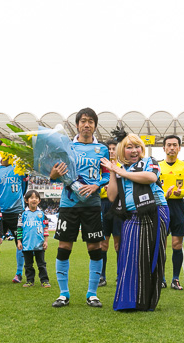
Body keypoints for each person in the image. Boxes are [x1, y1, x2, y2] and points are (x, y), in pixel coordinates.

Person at [49, 107, 110, 308]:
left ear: (95, 126)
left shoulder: (101, 149)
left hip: (92, 205)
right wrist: (54, 175)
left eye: (90, 121)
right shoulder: (66, 147)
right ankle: (63, 294)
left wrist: (97, 185)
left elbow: (107, 175)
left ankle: (92, 294)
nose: (86, 124)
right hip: (69, 205)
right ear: (77, 125)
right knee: (64, 247)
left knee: (95, 248)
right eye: (83, 121)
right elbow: (53, 174)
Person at [101, 133, 169, 311]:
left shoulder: (149, 161)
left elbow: (151, 178)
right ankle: (128, 301)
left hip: (155, 210)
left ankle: (146, 302)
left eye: (137, 146)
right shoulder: (119, 168)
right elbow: (112, 196)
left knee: (152, 257)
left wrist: (121, 172)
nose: (134, 151)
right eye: (129, 147)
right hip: (131, 215)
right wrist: (114, 172)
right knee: (128, 256)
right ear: (123, 150)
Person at [159, 135, 184, 290]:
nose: (172, 148)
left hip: (178, 206)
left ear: (179, 148)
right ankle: (161, 278)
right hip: (161, 206)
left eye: (175, 145)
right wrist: (163, 194)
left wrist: (182, 192)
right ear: (164, 148)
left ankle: (175, 279)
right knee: (160, 245)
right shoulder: (158, 166)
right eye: (169, 145)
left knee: (176, 244)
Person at [0, 153, 27, 283]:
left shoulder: (20, 167)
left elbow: (24, 188)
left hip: (17, 212)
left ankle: (19, 273)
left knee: (19, 242)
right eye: (2, 149)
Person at [99, 138, 122, 287]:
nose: (111, 151)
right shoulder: (100, 166)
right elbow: (94, 185)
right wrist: (104, 188)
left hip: (119, 206)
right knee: (103, 243)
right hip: (103, 205)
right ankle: (102, 276)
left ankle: (120, 275)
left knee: (118, 244)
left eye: (114, 148)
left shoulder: (123, 166)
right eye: (109, 149)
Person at [17, 190, 50, 288]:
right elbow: (19, 229)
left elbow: (45, 228)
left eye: (36, 198)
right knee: (28, 265)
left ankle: (44, 281)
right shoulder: (22, 214)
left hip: (39, 244)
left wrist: (46, 241)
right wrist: (19, 241)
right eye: (31, 198)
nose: (34, 200)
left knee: (41, 264)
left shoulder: (42, 214)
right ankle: (29, 281)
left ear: (39, 201)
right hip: (26, 244)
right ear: (27, 200)